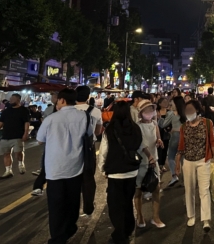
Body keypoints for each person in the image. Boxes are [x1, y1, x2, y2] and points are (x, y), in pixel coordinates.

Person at [37, 89, 93, 244]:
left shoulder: (51, 119)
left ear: (61, 100)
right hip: (76, 166)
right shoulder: (84, 116)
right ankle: (69, 227)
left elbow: (40, 139)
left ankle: (57, 237)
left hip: (55, 168)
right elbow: (90, 135)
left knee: (56, 205)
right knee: (73, 201)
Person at [98, 101, 144, 244]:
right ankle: (128, 229)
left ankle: (120, 233)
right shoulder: (135, 128)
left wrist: (102, 169)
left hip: (115, 173)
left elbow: (103, 152)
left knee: (115, 205)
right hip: (131, 171)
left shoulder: (110, 129)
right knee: (127, 202)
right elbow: (139, 146)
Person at [175, 99, 214, 231]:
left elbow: (212, 141)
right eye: (187, 110)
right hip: (188, 161)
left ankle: (206, 220)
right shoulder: (184, 126)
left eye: (191, 110)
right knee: (189, 189)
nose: (188, 113)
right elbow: (181, 147)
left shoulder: (207, 123)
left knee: (204, 190)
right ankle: (191, 216)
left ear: (197, 110)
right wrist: (178, 163)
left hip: (203, 161)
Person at [134, 100, 165, 228]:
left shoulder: (154, 123)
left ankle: (156, 218)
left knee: (156, 189)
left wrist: (159, 141)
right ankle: (140, 216)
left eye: (151, 110)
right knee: (138, 191)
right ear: (141, 113)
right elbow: (140, 144)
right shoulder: (137, 126)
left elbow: (158, 138)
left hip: (154, 162)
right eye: (146, 110)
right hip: (141, 163)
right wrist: (149, 156)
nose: (149, 112)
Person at [75, 86, 103, 216]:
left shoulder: (69, 111)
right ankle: (88, 206)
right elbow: (98, 131)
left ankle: (73, 207)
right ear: (88, 97)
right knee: (88, 177)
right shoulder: (95, 111)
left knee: (73, 177)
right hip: (89, 147)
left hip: (71, 148)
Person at [0, 93, 30, 178]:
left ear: (18, 100)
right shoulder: (6, 111)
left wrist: (25, 133)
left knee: (18, 152)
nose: (10, 100)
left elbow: (26, 122)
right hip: (5, 136)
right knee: (6, 153)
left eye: (13, 99)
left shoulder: (24, 110)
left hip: (18, 135)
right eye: (10, 99)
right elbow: (1, 122)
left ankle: (20, 164)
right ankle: (8, 171)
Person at [159, 95, 186, 187]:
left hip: (175, 136)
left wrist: (159, 118)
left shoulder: (171, 113)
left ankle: (175, 176)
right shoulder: (186, 113)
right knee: (183, 158)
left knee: (171, 157)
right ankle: (185, 179)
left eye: (172, 103)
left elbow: (163, 125)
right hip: (185, 137)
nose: (171, 104)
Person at [156, 97, 171, 173]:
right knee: (159, 150)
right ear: (159, 104)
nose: (166, 103)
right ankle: (158, 165)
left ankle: (162, 165)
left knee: (165, 149)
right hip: (158, 133)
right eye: (164, 102)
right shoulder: (157, 112)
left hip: (166, 133)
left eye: (166, 101)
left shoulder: (169, 112)